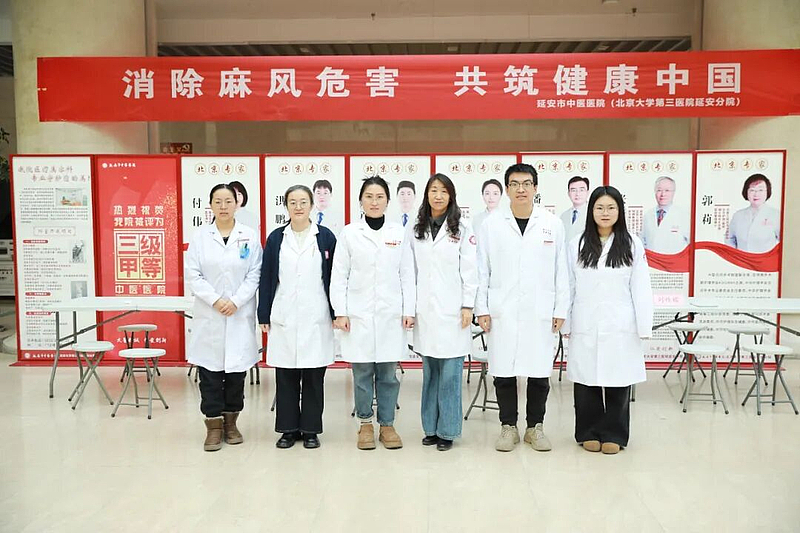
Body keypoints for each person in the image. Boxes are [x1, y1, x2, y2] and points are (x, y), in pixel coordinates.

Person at [475, 163, 569, 453]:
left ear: (535, 188)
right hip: (502, 309)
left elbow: (561, 270)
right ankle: (508, 427)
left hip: (540, 309)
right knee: (503, 370)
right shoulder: (491, 224)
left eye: (526, 183)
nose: (521, 189)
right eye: (514, 184)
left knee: (539, 371)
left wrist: (560, 309)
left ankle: (534, 427)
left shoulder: (552, 223)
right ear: (507, 189)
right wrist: (482, 308)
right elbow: (481, 270)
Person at [562, 186, 653, 455]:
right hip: (586, 321)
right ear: (591, 211)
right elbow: (568, 286)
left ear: (619, 211)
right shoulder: (577, 244)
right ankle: (588, 431)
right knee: (586, 380)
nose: (605, 213)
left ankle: (615, 433)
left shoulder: (632, 244)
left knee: (618, 380)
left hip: (620, 323)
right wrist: (566, 322)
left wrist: (644, 324)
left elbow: (641, 287)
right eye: (599, 207)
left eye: (611, 208)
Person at [330, 176, 416, 450]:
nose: (374, 202)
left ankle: (387, 425)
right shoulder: (349, 233)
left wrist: (409, 309)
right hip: (358, 314)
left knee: (388, 375)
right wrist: (341, 311)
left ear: (388, 202)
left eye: (380, 197)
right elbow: (339, 275)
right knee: (362, 373)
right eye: (369, 196)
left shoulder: (398, 233)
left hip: (391, 315)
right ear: (361, 201)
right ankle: (365, 424)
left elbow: (407, 274)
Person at [185, 183, 263, 452]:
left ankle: (231, 424)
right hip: (210, 314)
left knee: (235, 375)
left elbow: (255, 273)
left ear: (237, 204)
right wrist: (216, 300)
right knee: (210, 375)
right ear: (210, 205)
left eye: (228, 201)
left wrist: (236, 301)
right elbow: (193, 274)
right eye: (217, 201)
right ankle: (213, 426)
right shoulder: (200, 237)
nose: (223, 206)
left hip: (238, 313)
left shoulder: (248, 235)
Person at [258, 184, 336, 450]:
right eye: (293, 202)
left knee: (314, 376)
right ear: (286, 206)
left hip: (316, 315)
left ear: (312, 205)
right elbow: (267, 277)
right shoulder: (276, 238)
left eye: (303, 202)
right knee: (286, 376)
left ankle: (311, 430)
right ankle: (288, 430)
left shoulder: (325, 237)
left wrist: (336, 312)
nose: (298, 207)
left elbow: (334, 278)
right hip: (284, 315)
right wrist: (263, 313)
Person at [410, 173, 478, 451]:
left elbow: (471, 270)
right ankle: (430, 428)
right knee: (431, 374)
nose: (438, 196)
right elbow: (410, 271)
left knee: (450, 374)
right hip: (426, 311)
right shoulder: (416, 228)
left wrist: (468, 305)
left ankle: (447, 431)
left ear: (451, 196)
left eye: (443, 191)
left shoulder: (462, 228)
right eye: (433, 190)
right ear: (427, 195)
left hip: (454, 311)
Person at [726, 173, 781, 253]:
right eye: (752, 190)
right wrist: (734, 255)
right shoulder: (738, 215)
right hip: (741, 259)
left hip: (765, 259)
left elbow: (784, 242)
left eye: (760, 190)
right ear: (746, 192)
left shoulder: (776, 215)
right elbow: (729, 238)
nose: (756, 194)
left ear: (767, 192)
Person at [641, 176, 690, 254]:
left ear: (673, 192)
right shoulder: (647, 215)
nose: (663, 194)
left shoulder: (683, 215)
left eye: (667, 190)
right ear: (655, 192)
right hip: (651, 259)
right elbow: (642, 241)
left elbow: (691, 244)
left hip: (674, 260)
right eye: (659, 190)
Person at [559, 176, 589, 243]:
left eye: (581, 190)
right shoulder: (564, 216)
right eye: (573, 190)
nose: (577, 194)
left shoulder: (593, 213)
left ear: (587, 192)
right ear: (568, 193)